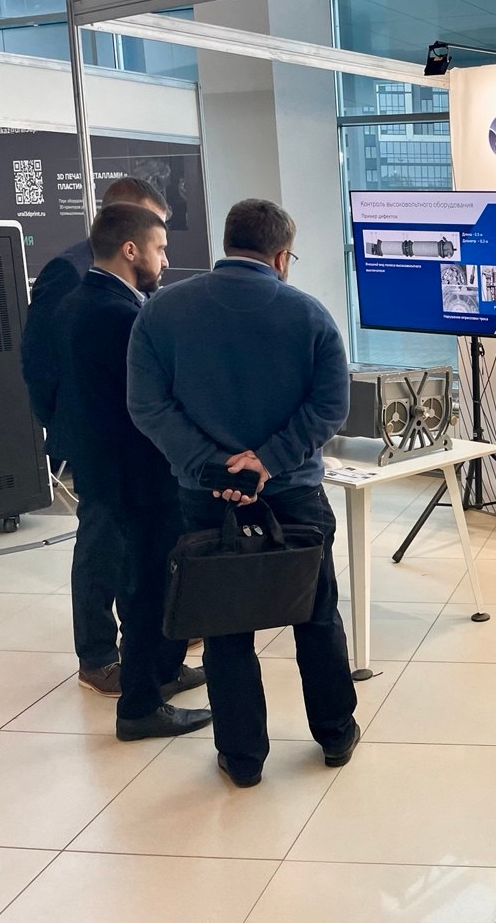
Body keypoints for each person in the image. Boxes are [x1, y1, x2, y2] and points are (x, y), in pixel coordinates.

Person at [128, 198, 359, 787]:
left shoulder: (162, 312)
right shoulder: (309, 315)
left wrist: (214, 468)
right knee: (315, 614)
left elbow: (147, 406)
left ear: (227, 242)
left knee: (225, 626)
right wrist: (269, 462)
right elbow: (331, 405)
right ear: (281, 257)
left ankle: (243, 758)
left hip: (206, 499)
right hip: (295, 495)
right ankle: (335, 734)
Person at [54, 203, 211, 740]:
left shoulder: (79, 301)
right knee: (148, 587)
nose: (165, 260)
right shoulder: (120, 316)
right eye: (160, 248)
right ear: (130, 249)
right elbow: (152, 397)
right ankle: (142, 704)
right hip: (136, 474)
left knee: (148, 579)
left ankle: (164, 670)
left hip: (105, 466)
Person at [20, 176, 173, 695]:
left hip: (120, 441)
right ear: (126, 232)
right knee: (102, 550)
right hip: (96, 440)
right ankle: (99, 656)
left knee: (132, 552)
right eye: (156, 237)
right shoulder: (70, 273)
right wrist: (66, 429)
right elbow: (40, 360)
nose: (164, 252)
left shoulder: (125, 287)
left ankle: (147, 653)